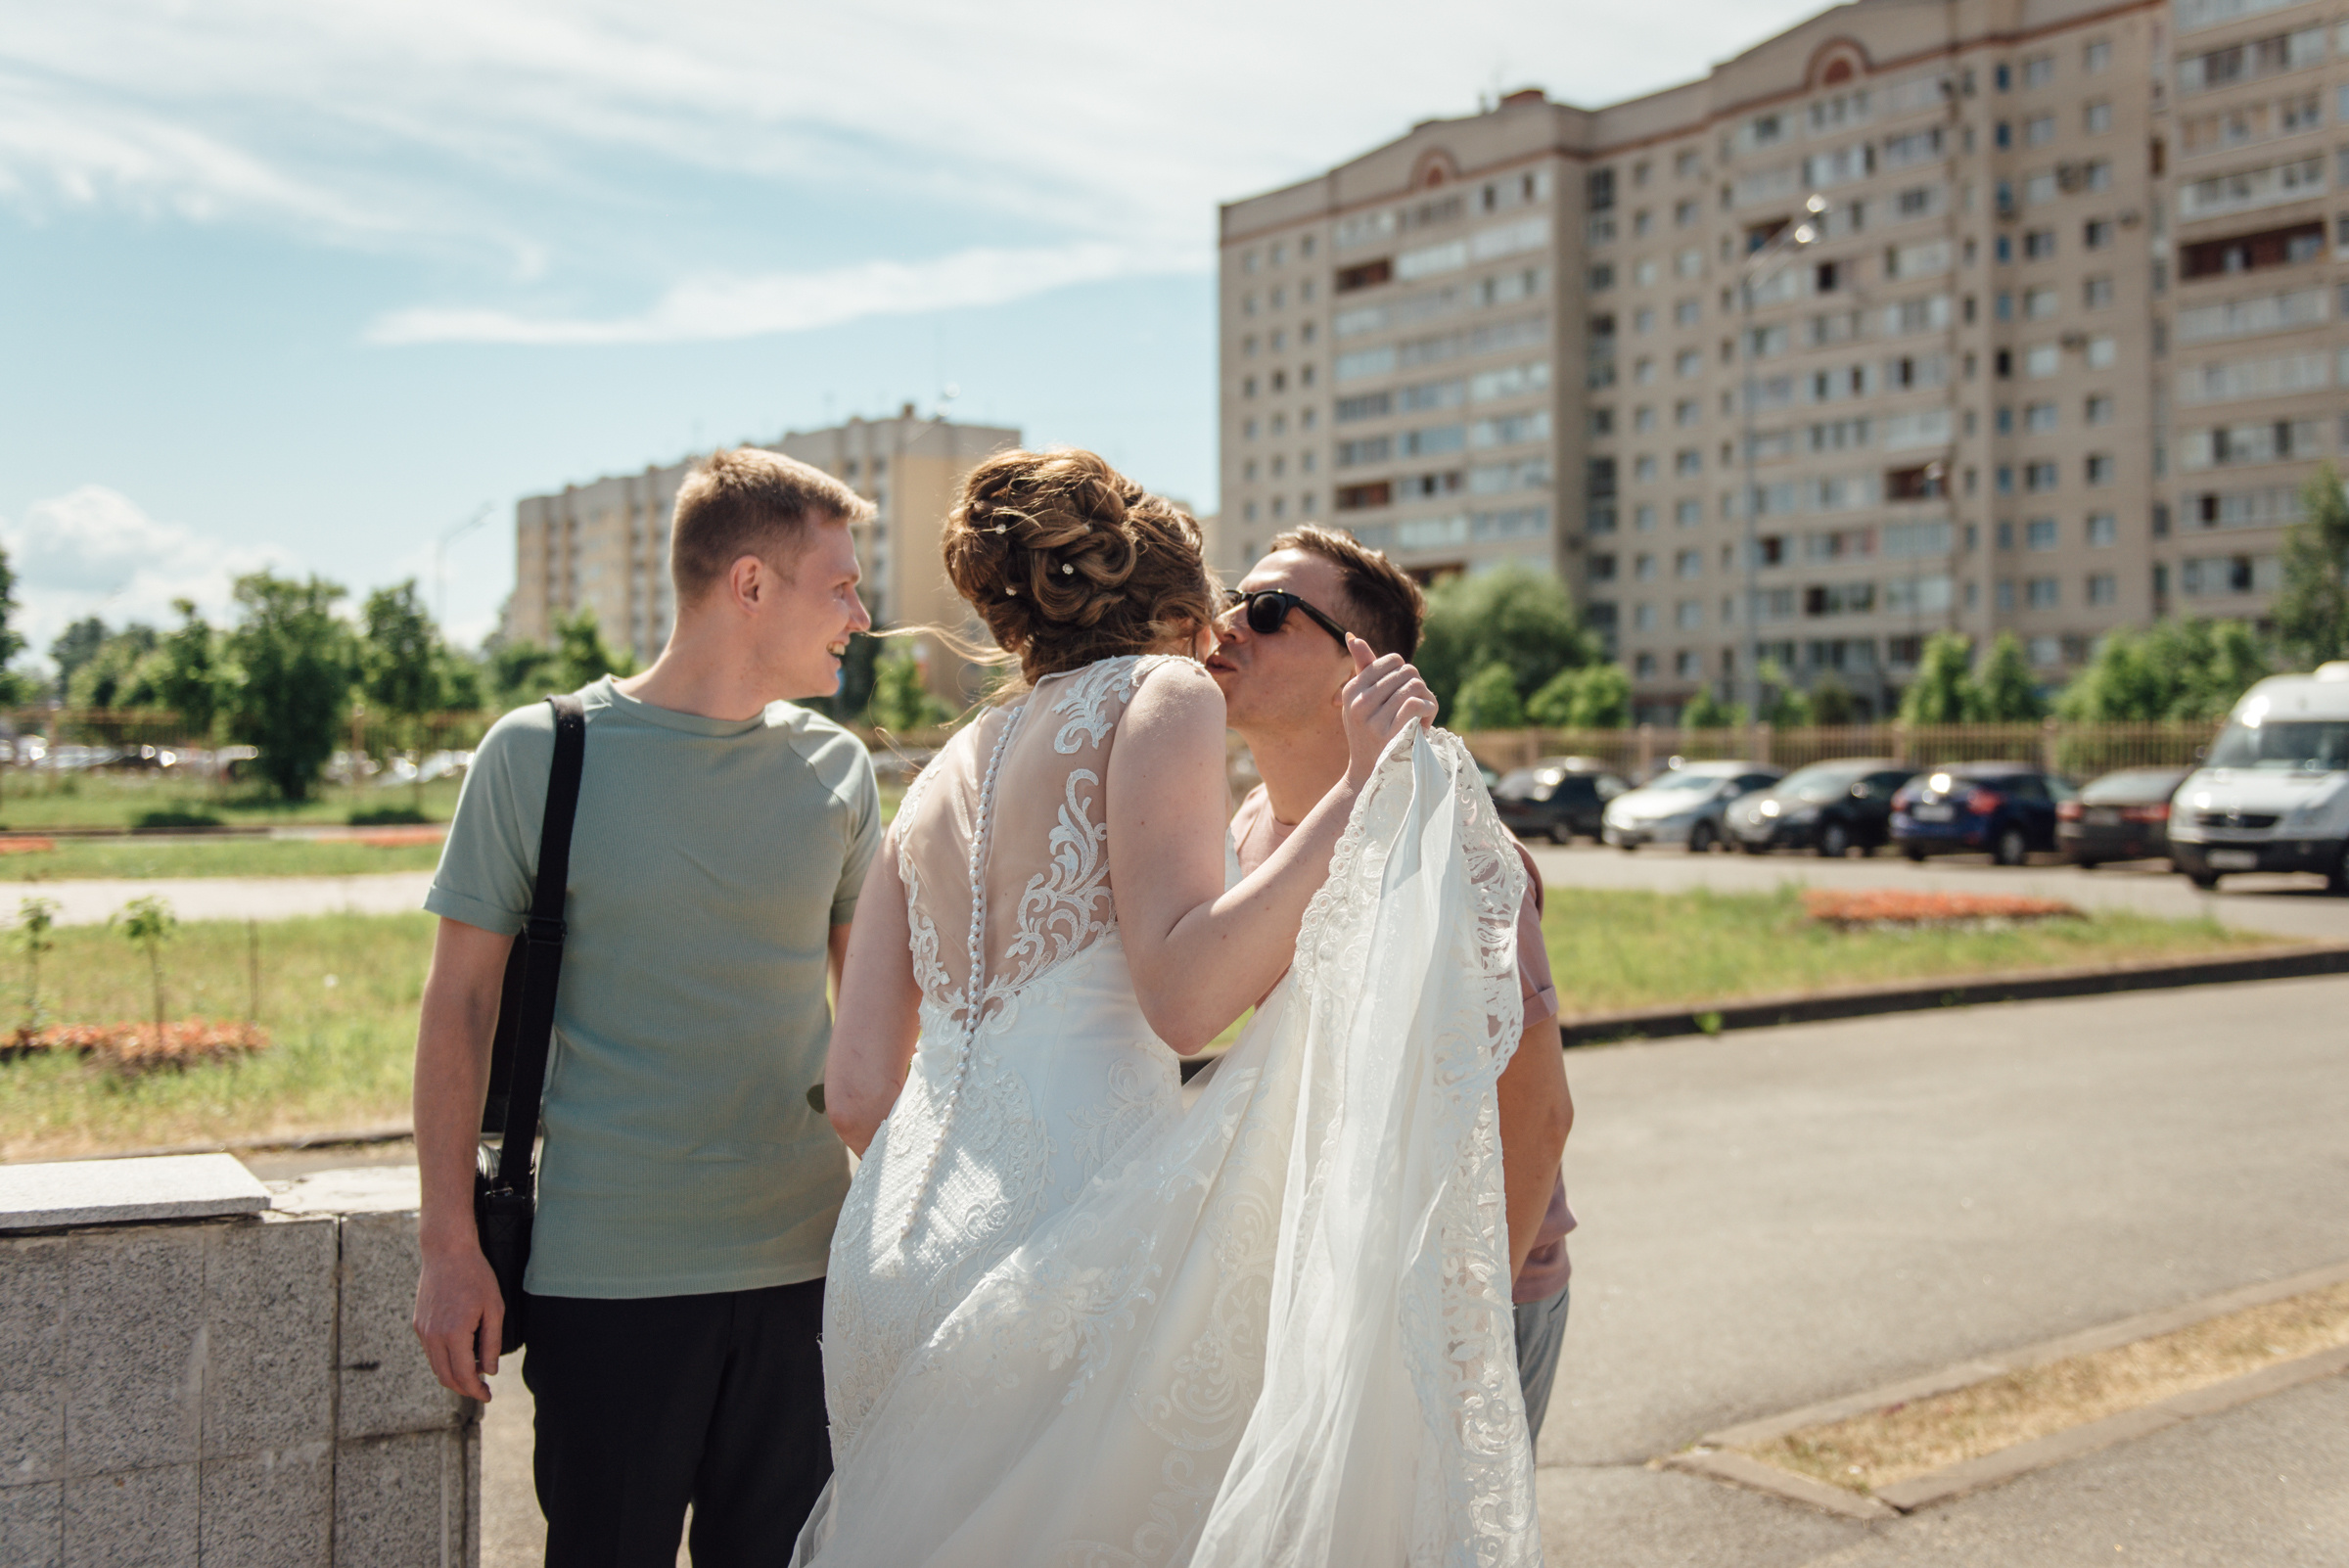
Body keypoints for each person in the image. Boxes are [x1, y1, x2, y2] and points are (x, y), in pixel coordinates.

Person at [805, 448, 1543, 1567]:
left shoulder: (938, 776)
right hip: (1065, 1243)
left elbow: (857, 1091)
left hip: (886, 1255)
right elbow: (1188, 1001)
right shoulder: (1162, 695)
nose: (1224, 632)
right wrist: (1358, 791)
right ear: (1172, 596)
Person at [409, 447, 883, 1566]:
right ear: (751, 585)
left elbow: (872, 1029)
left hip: (804, 1273)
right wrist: (445, 1246)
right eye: (842, 585)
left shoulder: (840, 769)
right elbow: (458, 1012)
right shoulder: (541, 753)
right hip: (606, 1277)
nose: (861, 615)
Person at [1209, 524, 1577, 1451]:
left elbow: (1536, 1114)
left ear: (1361, 670)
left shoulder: (1446, 842)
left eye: (1266, 612)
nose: (1226, 629)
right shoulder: (1249, 825)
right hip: (1334, 1274)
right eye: (1229, 602)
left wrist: (1460, 1328)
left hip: (1463, 1291)